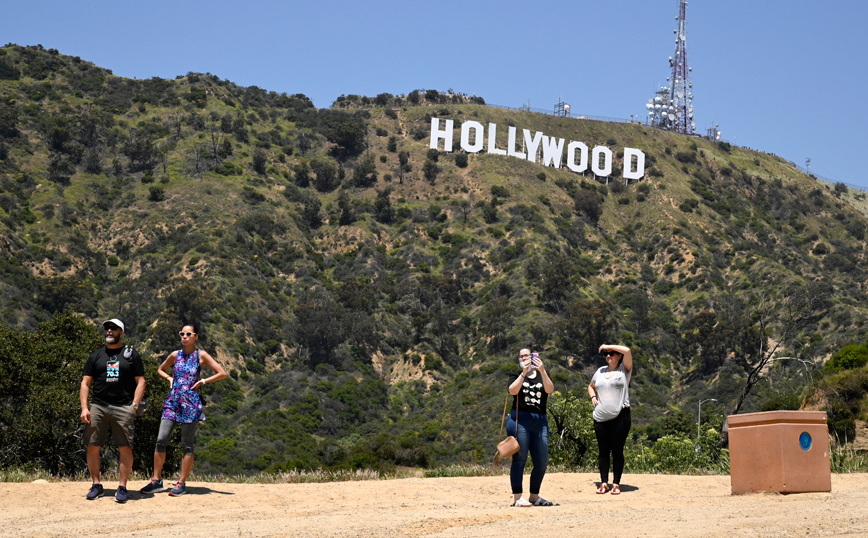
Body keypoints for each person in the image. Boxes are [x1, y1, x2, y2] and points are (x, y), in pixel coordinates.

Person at [140, 324, 227, 497]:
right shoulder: (175, 355)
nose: (184, 336)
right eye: (182, 333)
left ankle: (181, 482)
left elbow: (222, 373)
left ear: (196, 336)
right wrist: (169, 378)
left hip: (190, 404)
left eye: (188, 334)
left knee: (187, 444)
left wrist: (203, 381)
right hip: (173, 401)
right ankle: (156, 480)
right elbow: (160, 369)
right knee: (161, 440)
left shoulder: (200, 355)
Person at [80, 318, 146, 503]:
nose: (109, 331)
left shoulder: (132, 355)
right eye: (107, 328)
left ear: (121, 333)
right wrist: (85, 407)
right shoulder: (96, 356)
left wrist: (134, 404)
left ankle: (122, 487)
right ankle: (96, 485)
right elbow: (85, 383)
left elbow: (141, 381)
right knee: (93, 446)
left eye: (114, 328)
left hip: (124, 407)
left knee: (125, 447)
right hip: (98, 406)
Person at [506, 348, 555, 507]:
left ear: (534, 357)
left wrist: (542, 370)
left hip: (540, 421)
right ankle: (518, 498)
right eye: (521, 356)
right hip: (520, 420)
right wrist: (523, 373)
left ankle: (534, 496)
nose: (524, 358)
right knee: (519, 458)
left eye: (527, 355)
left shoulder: (542, 375)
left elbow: (550, 389)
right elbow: (512, 390)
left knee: (542, 460)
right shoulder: (515, 375)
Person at [588, 344, 633, 495]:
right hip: (601, 417)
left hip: (621, 416)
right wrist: (593, 396)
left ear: (619, 356)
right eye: (607, 354)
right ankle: (604, 483)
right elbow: (590, 386)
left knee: (617, 450)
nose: (608, 355)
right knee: (603, 450)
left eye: (612, 353)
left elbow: (627, 350)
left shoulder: (624, 370)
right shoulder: (600, 371)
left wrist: (606, 345)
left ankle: (616, 483)